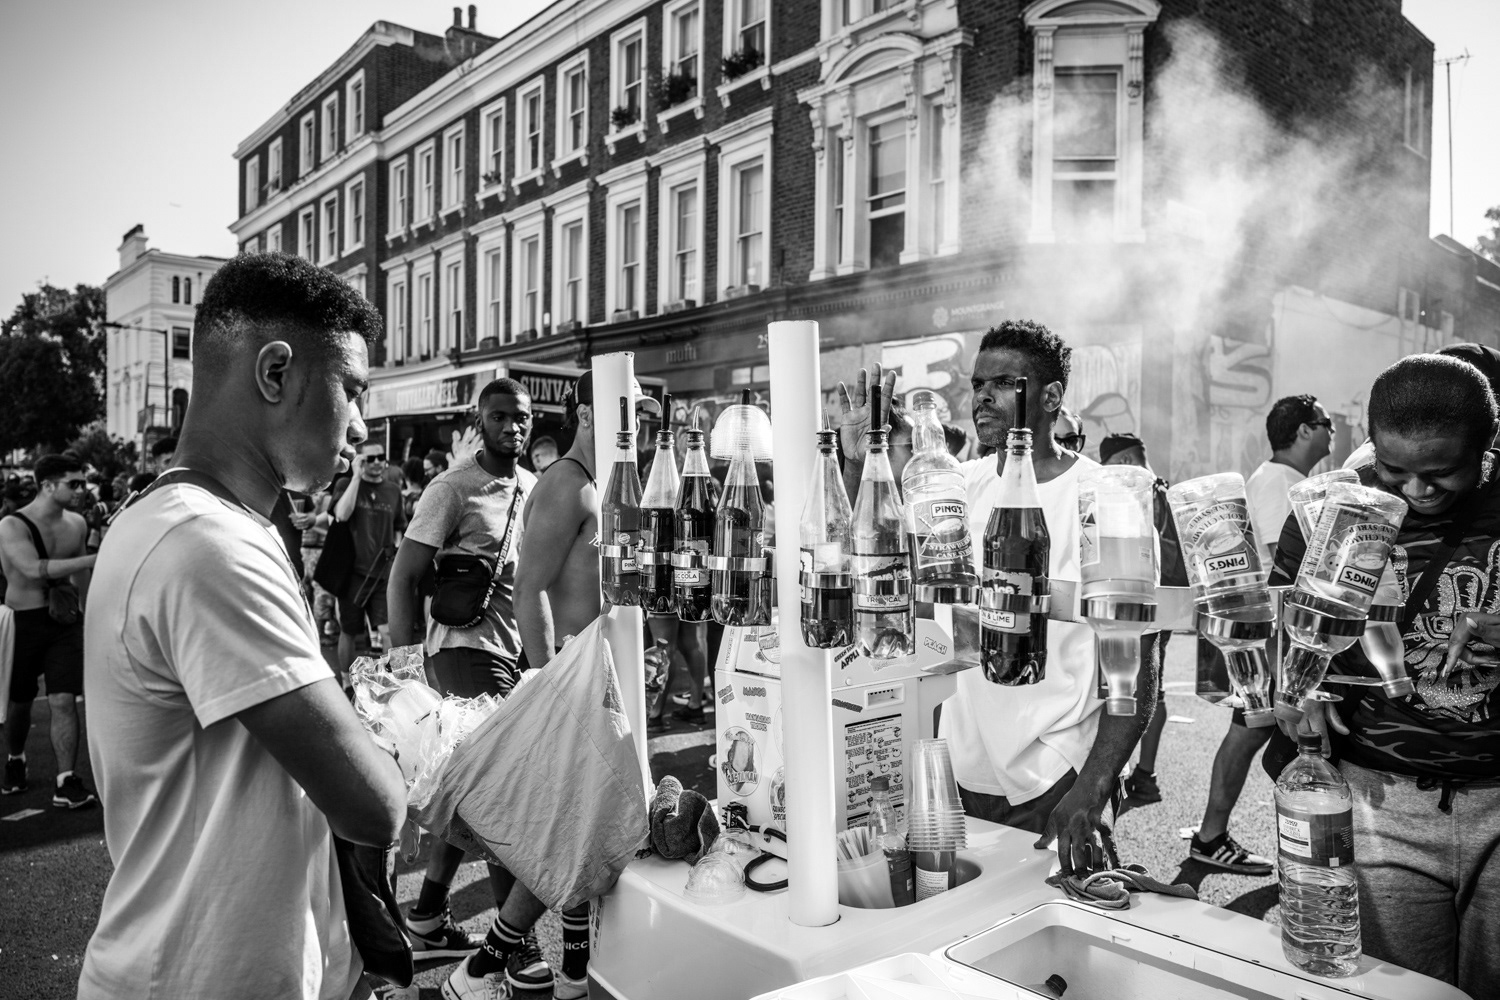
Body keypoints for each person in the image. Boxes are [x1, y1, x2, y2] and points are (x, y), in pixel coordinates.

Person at [79, 252, 406, 999]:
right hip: (194, 977)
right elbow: (373, 805)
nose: (360, 424)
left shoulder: (191, 521)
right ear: (275, 372)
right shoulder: (206, 543)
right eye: (352, 389)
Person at [840, 320, 1158, 875]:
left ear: (1051, 397)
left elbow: (1136, 662)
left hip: (1056, 774)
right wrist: (853, 460)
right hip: (961, 770)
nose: (981, 397)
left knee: (1054, 945)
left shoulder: (1105, 499)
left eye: (1001, 384)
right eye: (976, 384)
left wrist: (1093, 786)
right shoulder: (953, 485)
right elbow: (866, 555)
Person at [1270, 353, 1500, 994]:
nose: (1417, 492)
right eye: (1395, 470)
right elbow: (1282, 620)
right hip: (1381, 803)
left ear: (1488, 447)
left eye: (1443, 473)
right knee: (1397, 988)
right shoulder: (1333, 508)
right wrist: (1296, 686)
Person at [386, 379, 562, 998]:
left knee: (468, 796)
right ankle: (517, 955)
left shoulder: (538, 490)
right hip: (461, 653)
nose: (511, 427)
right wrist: (404, 673)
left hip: (517, 657)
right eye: (498, 417)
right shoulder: (452, 488)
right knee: (502, 794)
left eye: (520, 418)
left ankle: (429, 913)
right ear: (479, 421)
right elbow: (404, 577)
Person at [1188, 394, 1332, 875]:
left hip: (1273, 634)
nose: (1332, 432)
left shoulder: (1287, 480)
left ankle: (1215, 837)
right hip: (1272, 636)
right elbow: (1289, 564)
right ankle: (1212, 837)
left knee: (1256, 732)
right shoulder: (1278, 483)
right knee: (1253, 731)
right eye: (1326, 423)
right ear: (1305, 431)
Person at [514, 371, 659, 672]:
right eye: (625, 412)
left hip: (592, 662)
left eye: (637, 414)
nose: (634, 424)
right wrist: (549, 684)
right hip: (562, 664)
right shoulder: (567, 483)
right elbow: (528, 589)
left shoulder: (600, 483)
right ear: (585, 415)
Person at [1096, 433, 1190, 808]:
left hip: (1140, 603)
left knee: (1137, 687)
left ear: (1123, 459)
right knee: (1150, 685)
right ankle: (1142, 774)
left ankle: (1134, 774)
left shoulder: (1138, 494)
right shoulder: (1167, 492)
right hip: (1164, 605)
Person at [0, 454, 98, 806]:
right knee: (21, 703)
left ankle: (65, 780)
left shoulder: (76, 524)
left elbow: (80, 578)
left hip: (64, 624)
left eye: (82, 483)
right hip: (24, 622)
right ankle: (15, 759)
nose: (81, 490)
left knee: (63, 699)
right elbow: (29, 568)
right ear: (47, 486)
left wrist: (90, 616)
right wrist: (91, 558)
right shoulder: (12, 525)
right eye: (73, 483)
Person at [331, 441, 406, 676]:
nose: (376, 462)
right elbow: (341, 515)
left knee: (387, 630)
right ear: (360, 461)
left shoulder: (393, 490)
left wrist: (396, 561)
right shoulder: (346, 484)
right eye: (369, 458)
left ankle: (388, 681)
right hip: (352, 573)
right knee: (350, 630)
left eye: (380, 457)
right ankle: (346, 682)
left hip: (382, 574)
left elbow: (398, 529)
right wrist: (355, 477)